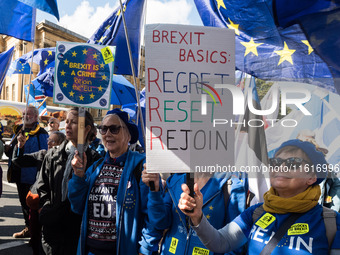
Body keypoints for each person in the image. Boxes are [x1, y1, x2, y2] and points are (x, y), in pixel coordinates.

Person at [179, 139, 340, 254]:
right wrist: (198, 216)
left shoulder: (331, 222)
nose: (281, 167)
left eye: (293, 162)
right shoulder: (256, 212)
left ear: (312, 177)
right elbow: (221, 243)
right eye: (275, 162)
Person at [68, 108, 159, 255]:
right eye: (103, 129)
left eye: (114, 129)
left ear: (128, 135)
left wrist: (146, 248)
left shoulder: (142, 167)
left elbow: (155, 216)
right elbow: (77, 207)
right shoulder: (95, 167)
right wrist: (78, 177)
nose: (107, 134)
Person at [36, 108, 102, 255]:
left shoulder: (96, 160)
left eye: (74, 122)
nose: (67, 126)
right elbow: (42, 186)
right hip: (52, 231)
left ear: (87, 129)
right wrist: (46, 211)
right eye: (67, 121)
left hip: (77, 232)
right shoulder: (53, 155)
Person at [142, 169, 248, 255]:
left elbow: (234, 244)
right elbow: (160, 222)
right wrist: (155, 192)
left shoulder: (232, 186)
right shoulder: (175, 180)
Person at [12, 131, 66, 255]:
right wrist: (20, 146)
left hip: (55, 204)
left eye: (53, 141)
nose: (49, 143)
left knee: (51, 238)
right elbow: (18, 160)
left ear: (61, 144)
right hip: (38, 202)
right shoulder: (42, 154)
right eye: (48, 140)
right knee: (35, 235)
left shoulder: (65, 159)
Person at [5, 105, 48, 238]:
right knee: (24, 204)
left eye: (28, 114)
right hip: (18, 173)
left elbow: (44, 154)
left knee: (34, 205)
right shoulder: (18, 130)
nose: (25, 116)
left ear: (36, 117)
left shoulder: (41, 133)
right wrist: (10, 150)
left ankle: (36, 231)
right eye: (24, 114)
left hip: (32, 175)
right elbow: (14, 154)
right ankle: (28, 227)